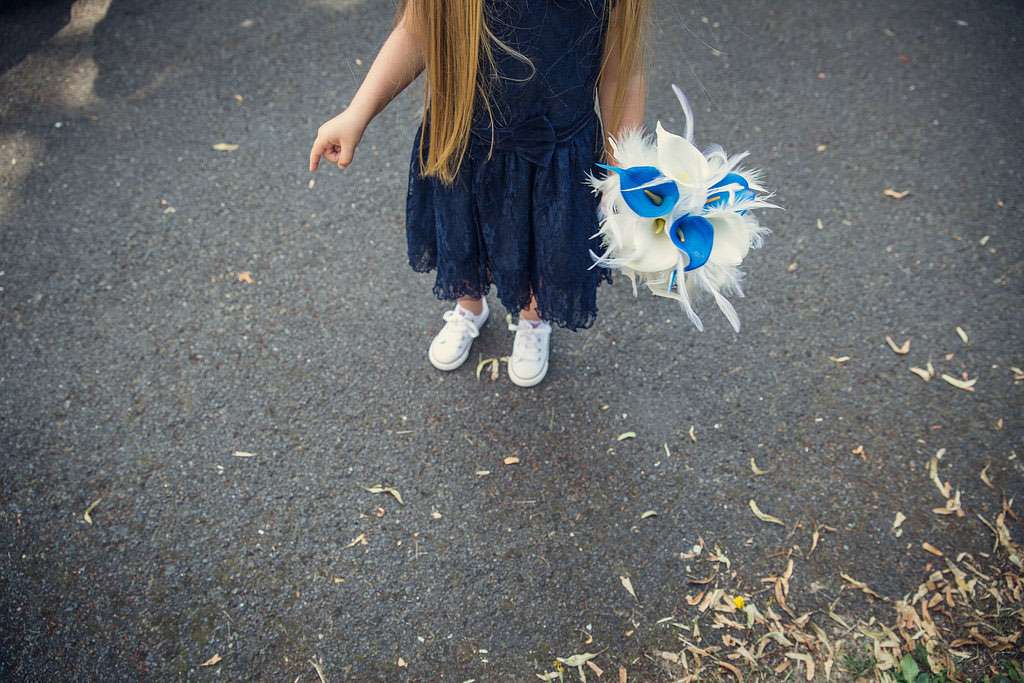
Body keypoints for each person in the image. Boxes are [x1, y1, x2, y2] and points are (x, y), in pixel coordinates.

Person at [309, 0, 647, 386]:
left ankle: (533, 319)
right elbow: (417, 31)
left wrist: (623, 169)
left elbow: (622, 70)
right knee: (464, 235)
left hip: (555, 154)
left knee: (546, 245)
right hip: (465, 142)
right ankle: (470, 305)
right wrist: (357, 113)